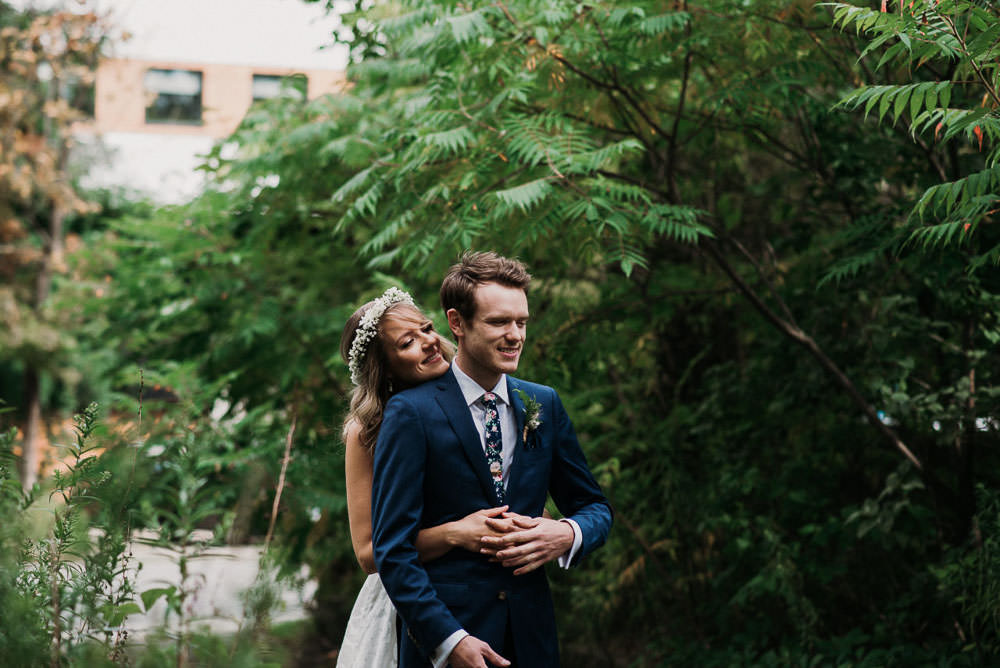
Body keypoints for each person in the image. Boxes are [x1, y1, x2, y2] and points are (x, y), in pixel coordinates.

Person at [371, 252, 613, 668]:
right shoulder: (411, 413)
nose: (515, 335)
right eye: (499, 322)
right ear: (457, 323)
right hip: (447, 644)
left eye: (521, 321)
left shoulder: (543, 403)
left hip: (531, 639)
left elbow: (596, 508)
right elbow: (392, 550)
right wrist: (448, 640)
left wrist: (567, 534)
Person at [337, 287, 516, 667]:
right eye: (407, 342)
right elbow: (370, 554)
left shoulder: (481, 397)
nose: (429, 343)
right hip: (411, 599)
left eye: (427, 329)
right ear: (382, 365)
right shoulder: (367, 431)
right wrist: (456, 533)